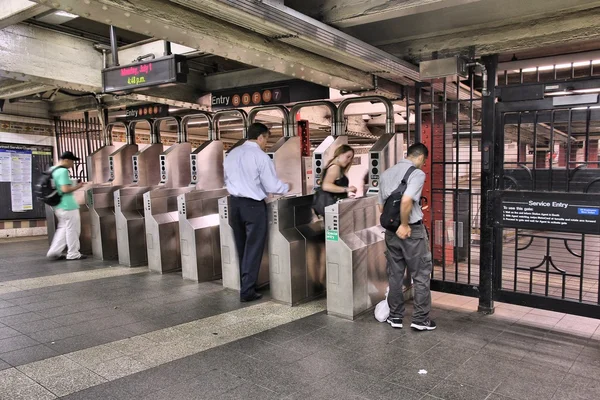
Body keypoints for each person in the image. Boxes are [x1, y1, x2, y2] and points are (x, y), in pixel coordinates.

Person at [224, 123, 289, 302]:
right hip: (253, 207)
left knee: (242, 246)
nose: (266, 143)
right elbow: (272, 186)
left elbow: (228, 178)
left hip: (234, 204)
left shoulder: (232, 153)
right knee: (254, 248)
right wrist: (287, 187)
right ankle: (247, 291)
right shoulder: (260, 156)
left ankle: (244, 284)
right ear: (260, 137)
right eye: (266, 139)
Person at [378, 143, 435, 331]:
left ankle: (395, 317)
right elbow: (406, 200)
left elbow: (380, 207)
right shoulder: (417, 174)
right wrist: (403, 224)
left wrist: (394, 225)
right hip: (411, 231)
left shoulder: (386, 173)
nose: (423, 164)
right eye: (424, 161)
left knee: (395, 275)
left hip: (390, 232)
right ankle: (420, 319)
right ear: (420, 157)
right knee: (420, 275)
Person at [46, 151, 86, 261]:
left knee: (63, 228)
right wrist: (78, 186)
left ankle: (54, 251)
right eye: (72, 161)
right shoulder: (63, 171)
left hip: (58, 205)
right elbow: (65, 189)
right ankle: (73, 253)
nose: (73, 164)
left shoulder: (52, 170)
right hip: (68, 205)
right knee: (72, 229)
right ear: (66, 160)